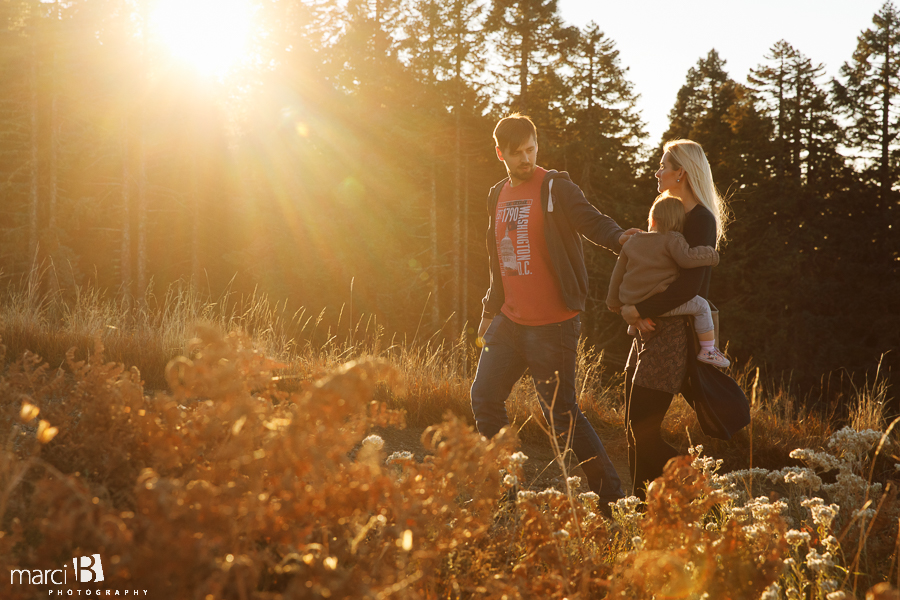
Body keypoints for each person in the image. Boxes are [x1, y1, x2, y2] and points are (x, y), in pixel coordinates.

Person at [471, 113, 638, 510]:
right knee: (484, 397)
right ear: (500, 153)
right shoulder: (496, 195)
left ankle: (611, 501)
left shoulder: (554, 186)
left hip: (553, 326)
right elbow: (499, 259)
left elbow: (589, 220)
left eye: (531, 149)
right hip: (509, 321)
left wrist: (620, 238)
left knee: (561, 416)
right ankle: (508, 492)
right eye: (517, 153)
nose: (526, 158)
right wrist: (489, 309)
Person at [618, 139, 733, 498]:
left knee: (644, 431)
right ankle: (641, 515)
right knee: (632, 429)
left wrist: (638, 309)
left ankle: (707, 493)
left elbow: (689, 286)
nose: (657, 171)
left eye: (663, 166)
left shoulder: (700, 219)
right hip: (646, 334)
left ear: (680, 172)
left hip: (672, 337)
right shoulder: (668, 213)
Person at [606, 192, 730, 368]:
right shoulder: (673, 238)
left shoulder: (633, 240)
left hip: (632, 299)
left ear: (653, 220)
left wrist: (613, 301)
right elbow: (687, 259)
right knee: (702, 306)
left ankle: (634, 325)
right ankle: (708, 350)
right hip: (657, 300)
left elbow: (617, 273)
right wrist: (711, 256)